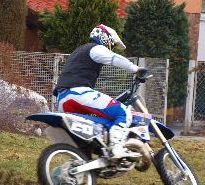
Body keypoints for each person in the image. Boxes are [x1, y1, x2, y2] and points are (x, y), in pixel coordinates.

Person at [54, 24, 148, 160]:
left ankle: (81, 165)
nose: (112, 48)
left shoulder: (79, 51)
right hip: (77, 94)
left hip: (62, 100)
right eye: (112, 45)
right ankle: (116, 149)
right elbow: (115, 58)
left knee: (88, 140)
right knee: (123, 112)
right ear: (106, 38)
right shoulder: (95, 48)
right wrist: (136, 69)